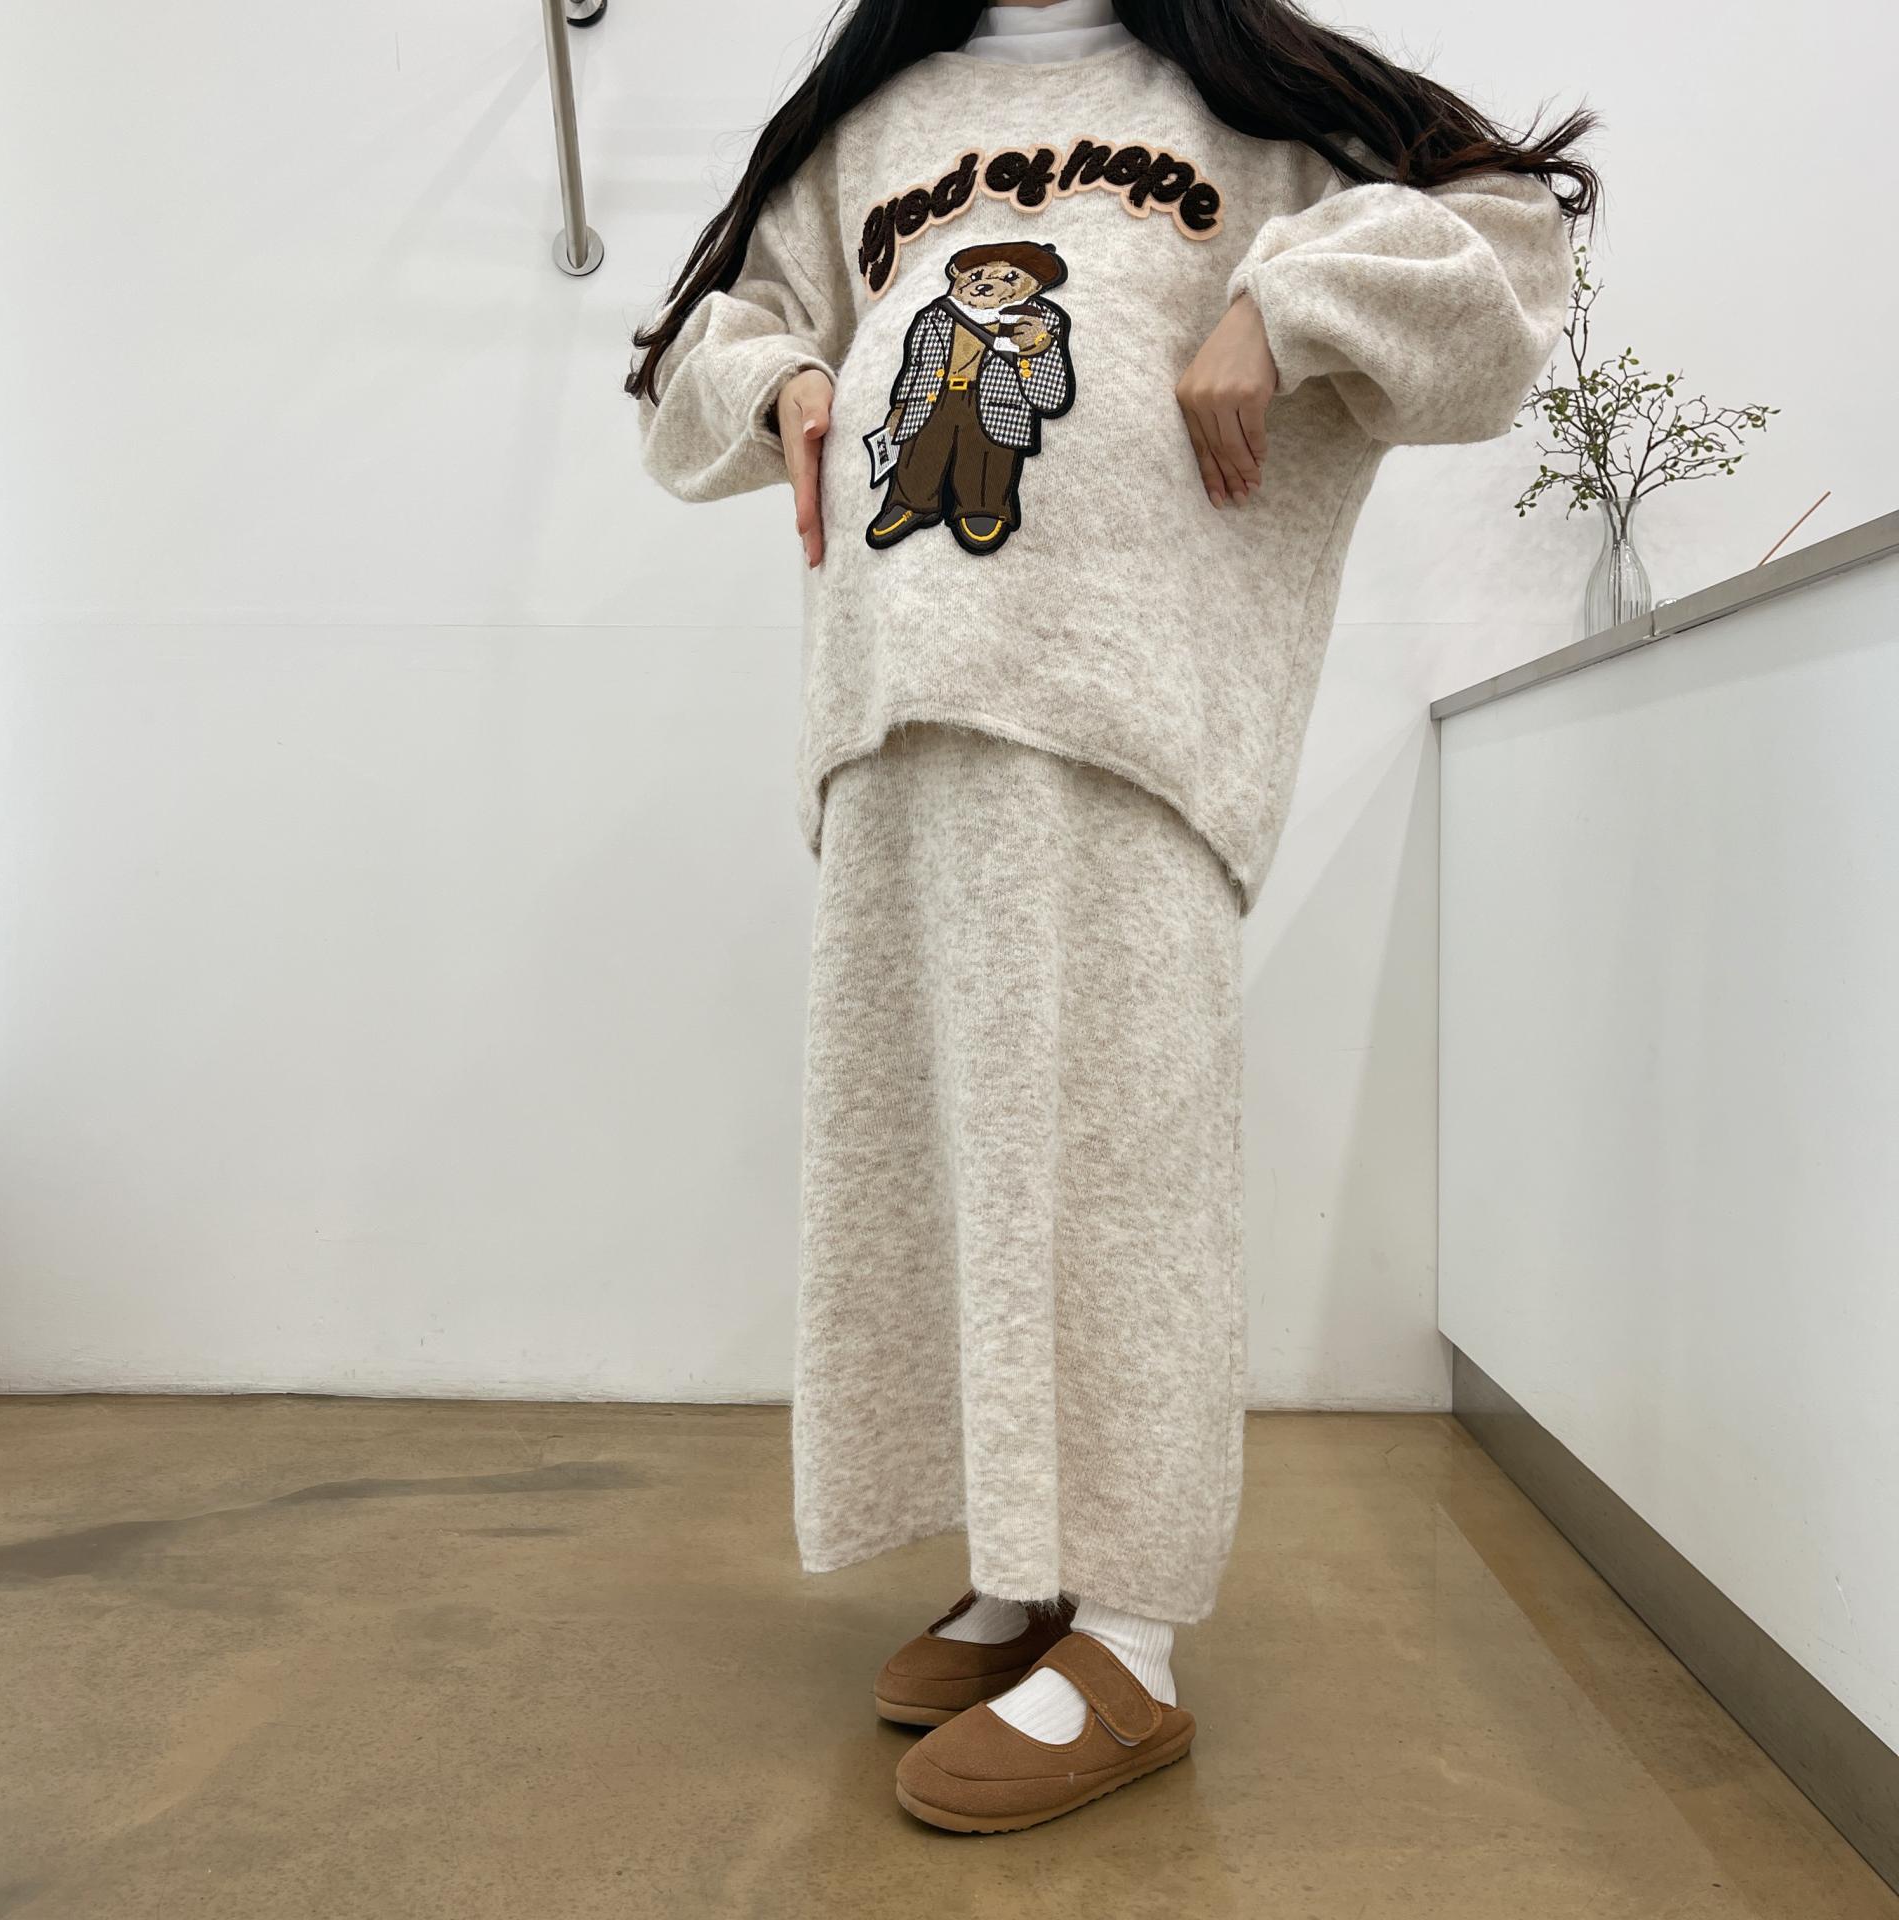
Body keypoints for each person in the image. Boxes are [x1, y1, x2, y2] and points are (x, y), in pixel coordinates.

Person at [630, 0, 1595, 1835]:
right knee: (935, 1168)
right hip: (895, 711)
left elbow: (1506, 251)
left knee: (1121, 1175)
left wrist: (1283, 301)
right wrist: (784, 385)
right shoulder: (871, 124)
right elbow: (702, 346)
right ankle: (1026, 1572)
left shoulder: (1247, 96)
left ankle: (1135, 1639)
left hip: (1130, 709)